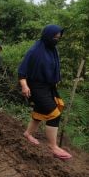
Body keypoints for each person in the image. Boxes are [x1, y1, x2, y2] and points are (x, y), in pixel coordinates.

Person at [18, 24, 72, 159]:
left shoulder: (52, 49)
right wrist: (24, 86)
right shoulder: (35, 51)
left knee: (40, 112)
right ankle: (53, 146)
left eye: (59, 37)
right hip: (36, 86)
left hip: (48, 87)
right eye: (55, 37)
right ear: (47, 36)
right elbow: (22, 71)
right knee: (54, 114)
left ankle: (28, 134)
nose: (57, 39)